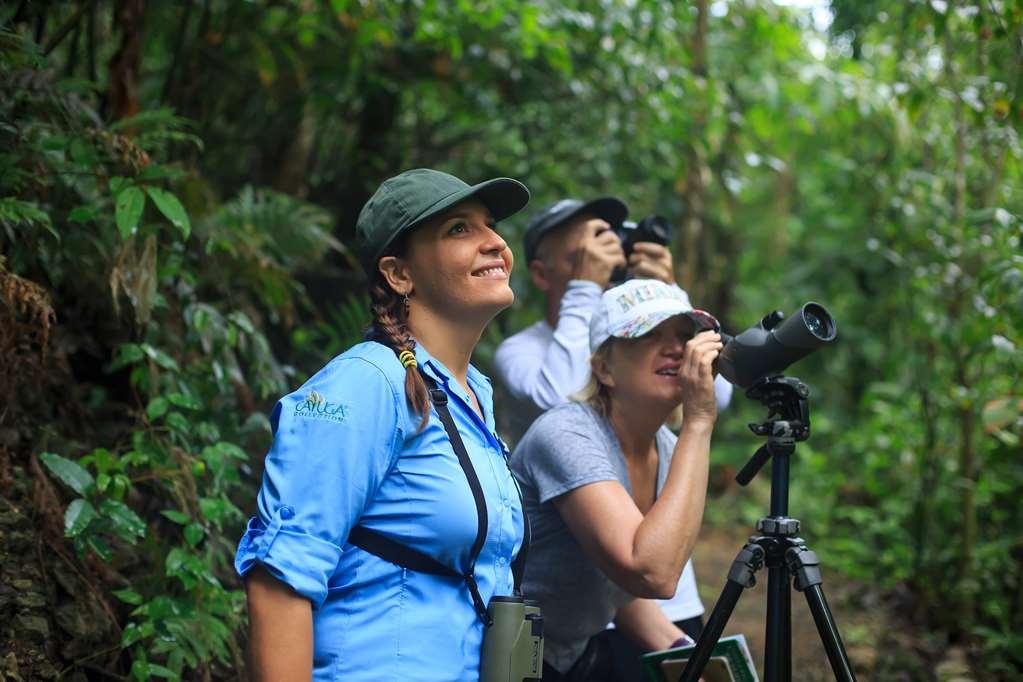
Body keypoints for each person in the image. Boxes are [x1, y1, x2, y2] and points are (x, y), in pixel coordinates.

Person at [234, 168, 531, 681]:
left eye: (490, 226)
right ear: (399, 274)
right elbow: (280, 579)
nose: (494, 243)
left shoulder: (473, 393)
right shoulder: (364, 384)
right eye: (459, 229)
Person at [494, 198, 731, 667]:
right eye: (648, 335)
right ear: (602, 365)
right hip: (509, 648)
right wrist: (698, 425)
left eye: (684, 336)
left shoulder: (663, 444)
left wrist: (688, 657)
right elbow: (653, 572)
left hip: (572, 647)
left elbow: (617, 590)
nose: (675, 349)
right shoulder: (567, 434)